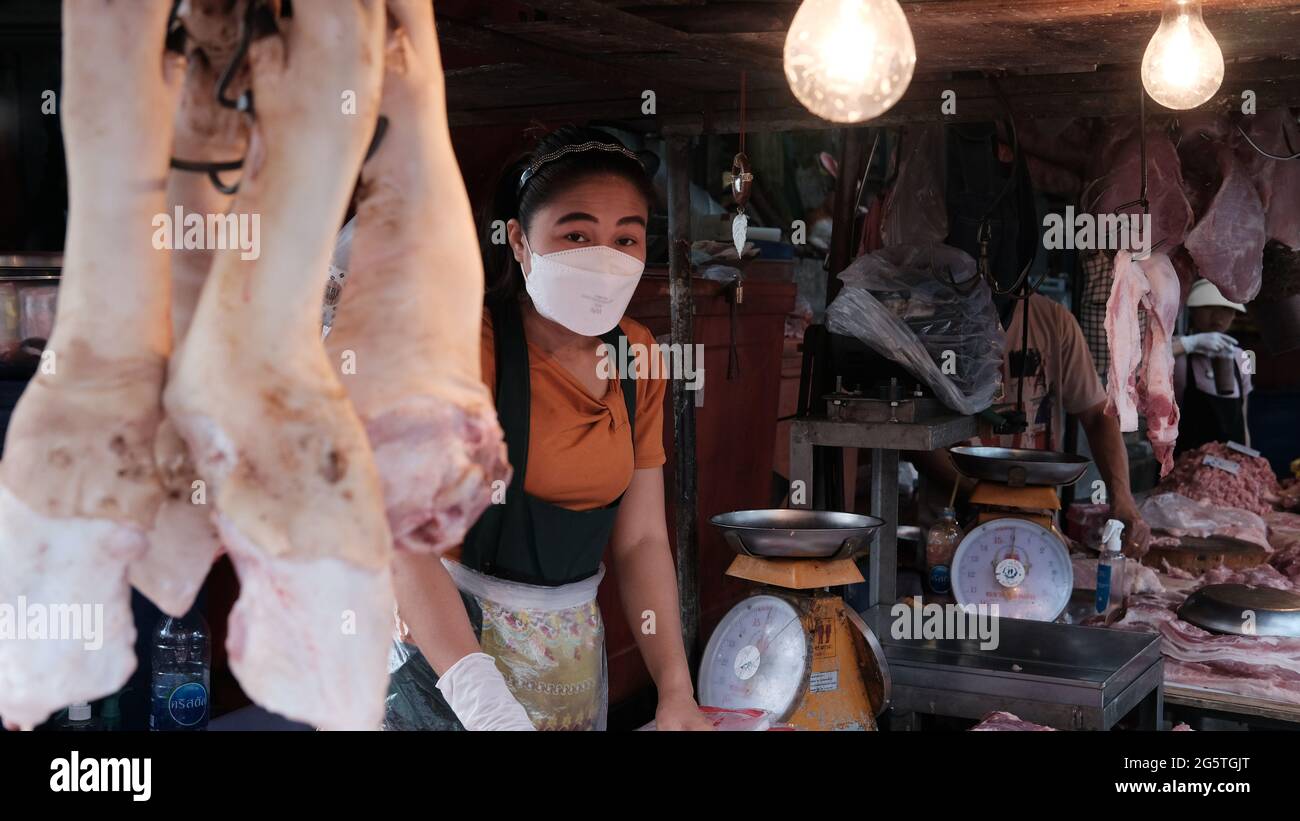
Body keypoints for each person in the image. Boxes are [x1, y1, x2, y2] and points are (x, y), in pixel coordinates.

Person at [384, 127, 712, 731]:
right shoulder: (465, 350)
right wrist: (486, 708)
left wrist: (674, 692)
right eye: (577, 234)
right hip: (447, 664)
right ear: (518, 240)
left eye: (626, 239)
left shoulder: (638, 358)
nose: (603, 257)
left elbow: (640, 540)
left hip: (571, 666)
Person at [911, 291, 1152, 557]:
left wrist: (1122, 498)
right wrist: (990, 499)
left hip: (1040, 534)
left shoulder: (1053, 321)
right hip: (950, 534)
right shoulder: (935, 322)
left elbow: (1097, 415)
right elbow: (916, 440)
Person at [1172, 278, 1251, 455]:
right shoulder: (1178, 349)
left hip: (1230, 465)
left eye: (1226, 310)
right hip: (1186, 464)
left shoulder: (1242, 358)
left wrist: (1248, 462)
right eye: (1209, 307)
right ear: (1193, 310)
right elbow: (1145, 360)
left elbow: (1242, 417)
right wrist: (1190, 343)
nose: (1218, 317)